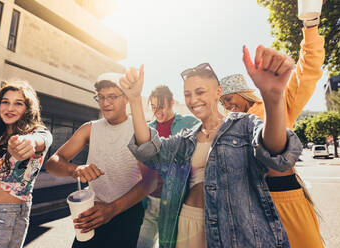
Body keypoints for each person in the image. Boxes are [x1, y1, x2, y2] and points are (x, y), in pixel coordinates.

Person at [119, 45, 303, 248]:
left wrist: (273, 98)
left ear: (218, 92)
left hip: (233, 233)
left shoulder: (245, 124)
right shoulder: (185, 139)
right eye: (187, 94)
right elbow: (149, 151)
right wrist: (135, 100)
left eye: (200, 92)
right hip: (186, 227)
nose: (193, 100)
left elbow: (275, 151)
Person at [219, 24, 325, 248]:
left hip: (286, 198)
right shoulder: (226, 126)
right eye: (223, 103)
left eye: (230, 98)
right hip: (249, 207)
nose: (228, 106)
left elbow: (308, 72)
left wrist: (310, 26)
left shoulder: (278, 102)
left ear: (243, 92)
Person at [45, 73, 157, 248]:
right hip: (92, 210)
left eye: (112, 96)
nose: (105, 103)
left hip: (127, 213)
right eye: (101, 97)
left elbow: (150, 181)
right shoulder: (89, 129)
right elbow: (53, 162)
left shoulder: (140, 129)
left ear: (127, 98)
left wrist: (113, 208)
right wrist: (74, 169)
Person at [0, 81, 52, 248]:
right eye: (5, 102)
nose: (10, 108)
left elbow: (42, 139)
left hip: (0, 219)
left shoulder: (36, 133)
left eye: (18, 103)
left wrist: (29, 142)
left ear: (28, 109)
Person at [137, 85, 199, 248]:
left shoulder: (190, 123)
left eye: (161, 106)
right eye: (153, 107)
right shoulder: (147, 129)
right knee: (142, 243)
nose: (157, 112)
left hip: (175, 202)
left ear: (172, 103)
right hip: (149, 200)